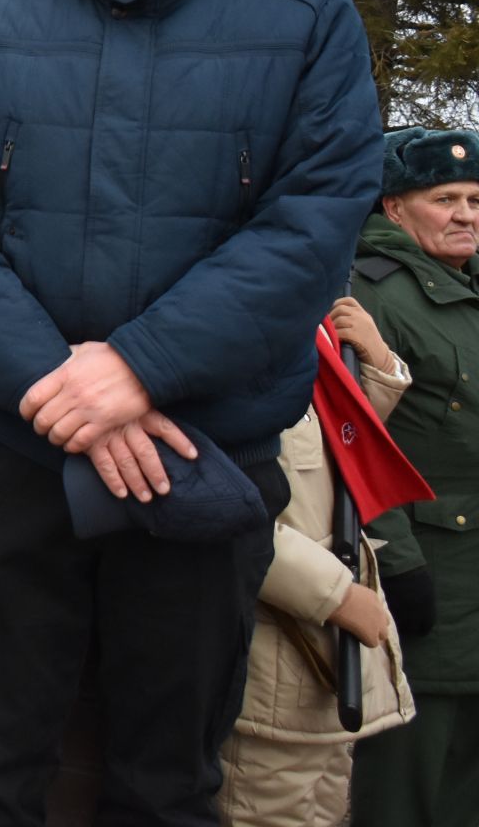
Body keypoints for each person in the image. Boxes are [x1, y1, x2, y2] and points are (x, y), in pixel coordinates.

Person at [0, 0, 384, 824]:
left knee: (168, 783)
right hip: (15, 458)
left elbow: (312, 226)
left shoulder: (305, 20)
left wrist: (138, 368)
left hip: (200, 453)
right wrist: (65, 391)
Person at [215, 298, 417, 827]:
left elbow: (337, 448)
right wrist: (337, 595)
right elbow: (228, 509)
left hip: (327, 673)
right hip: (274, 668)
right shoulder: (228, 344)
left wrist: (376, 365)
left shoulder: (301, 328)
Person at [349, 127, 479, 826]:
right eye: (445, 198)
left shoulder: (466, 288)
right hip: (428, 585)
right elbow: (360, 440)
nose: (466, 214)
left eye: (476, 199)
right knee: (405, 792)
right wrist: (399, 567)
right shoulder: (375, 298)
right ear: (395, 209)